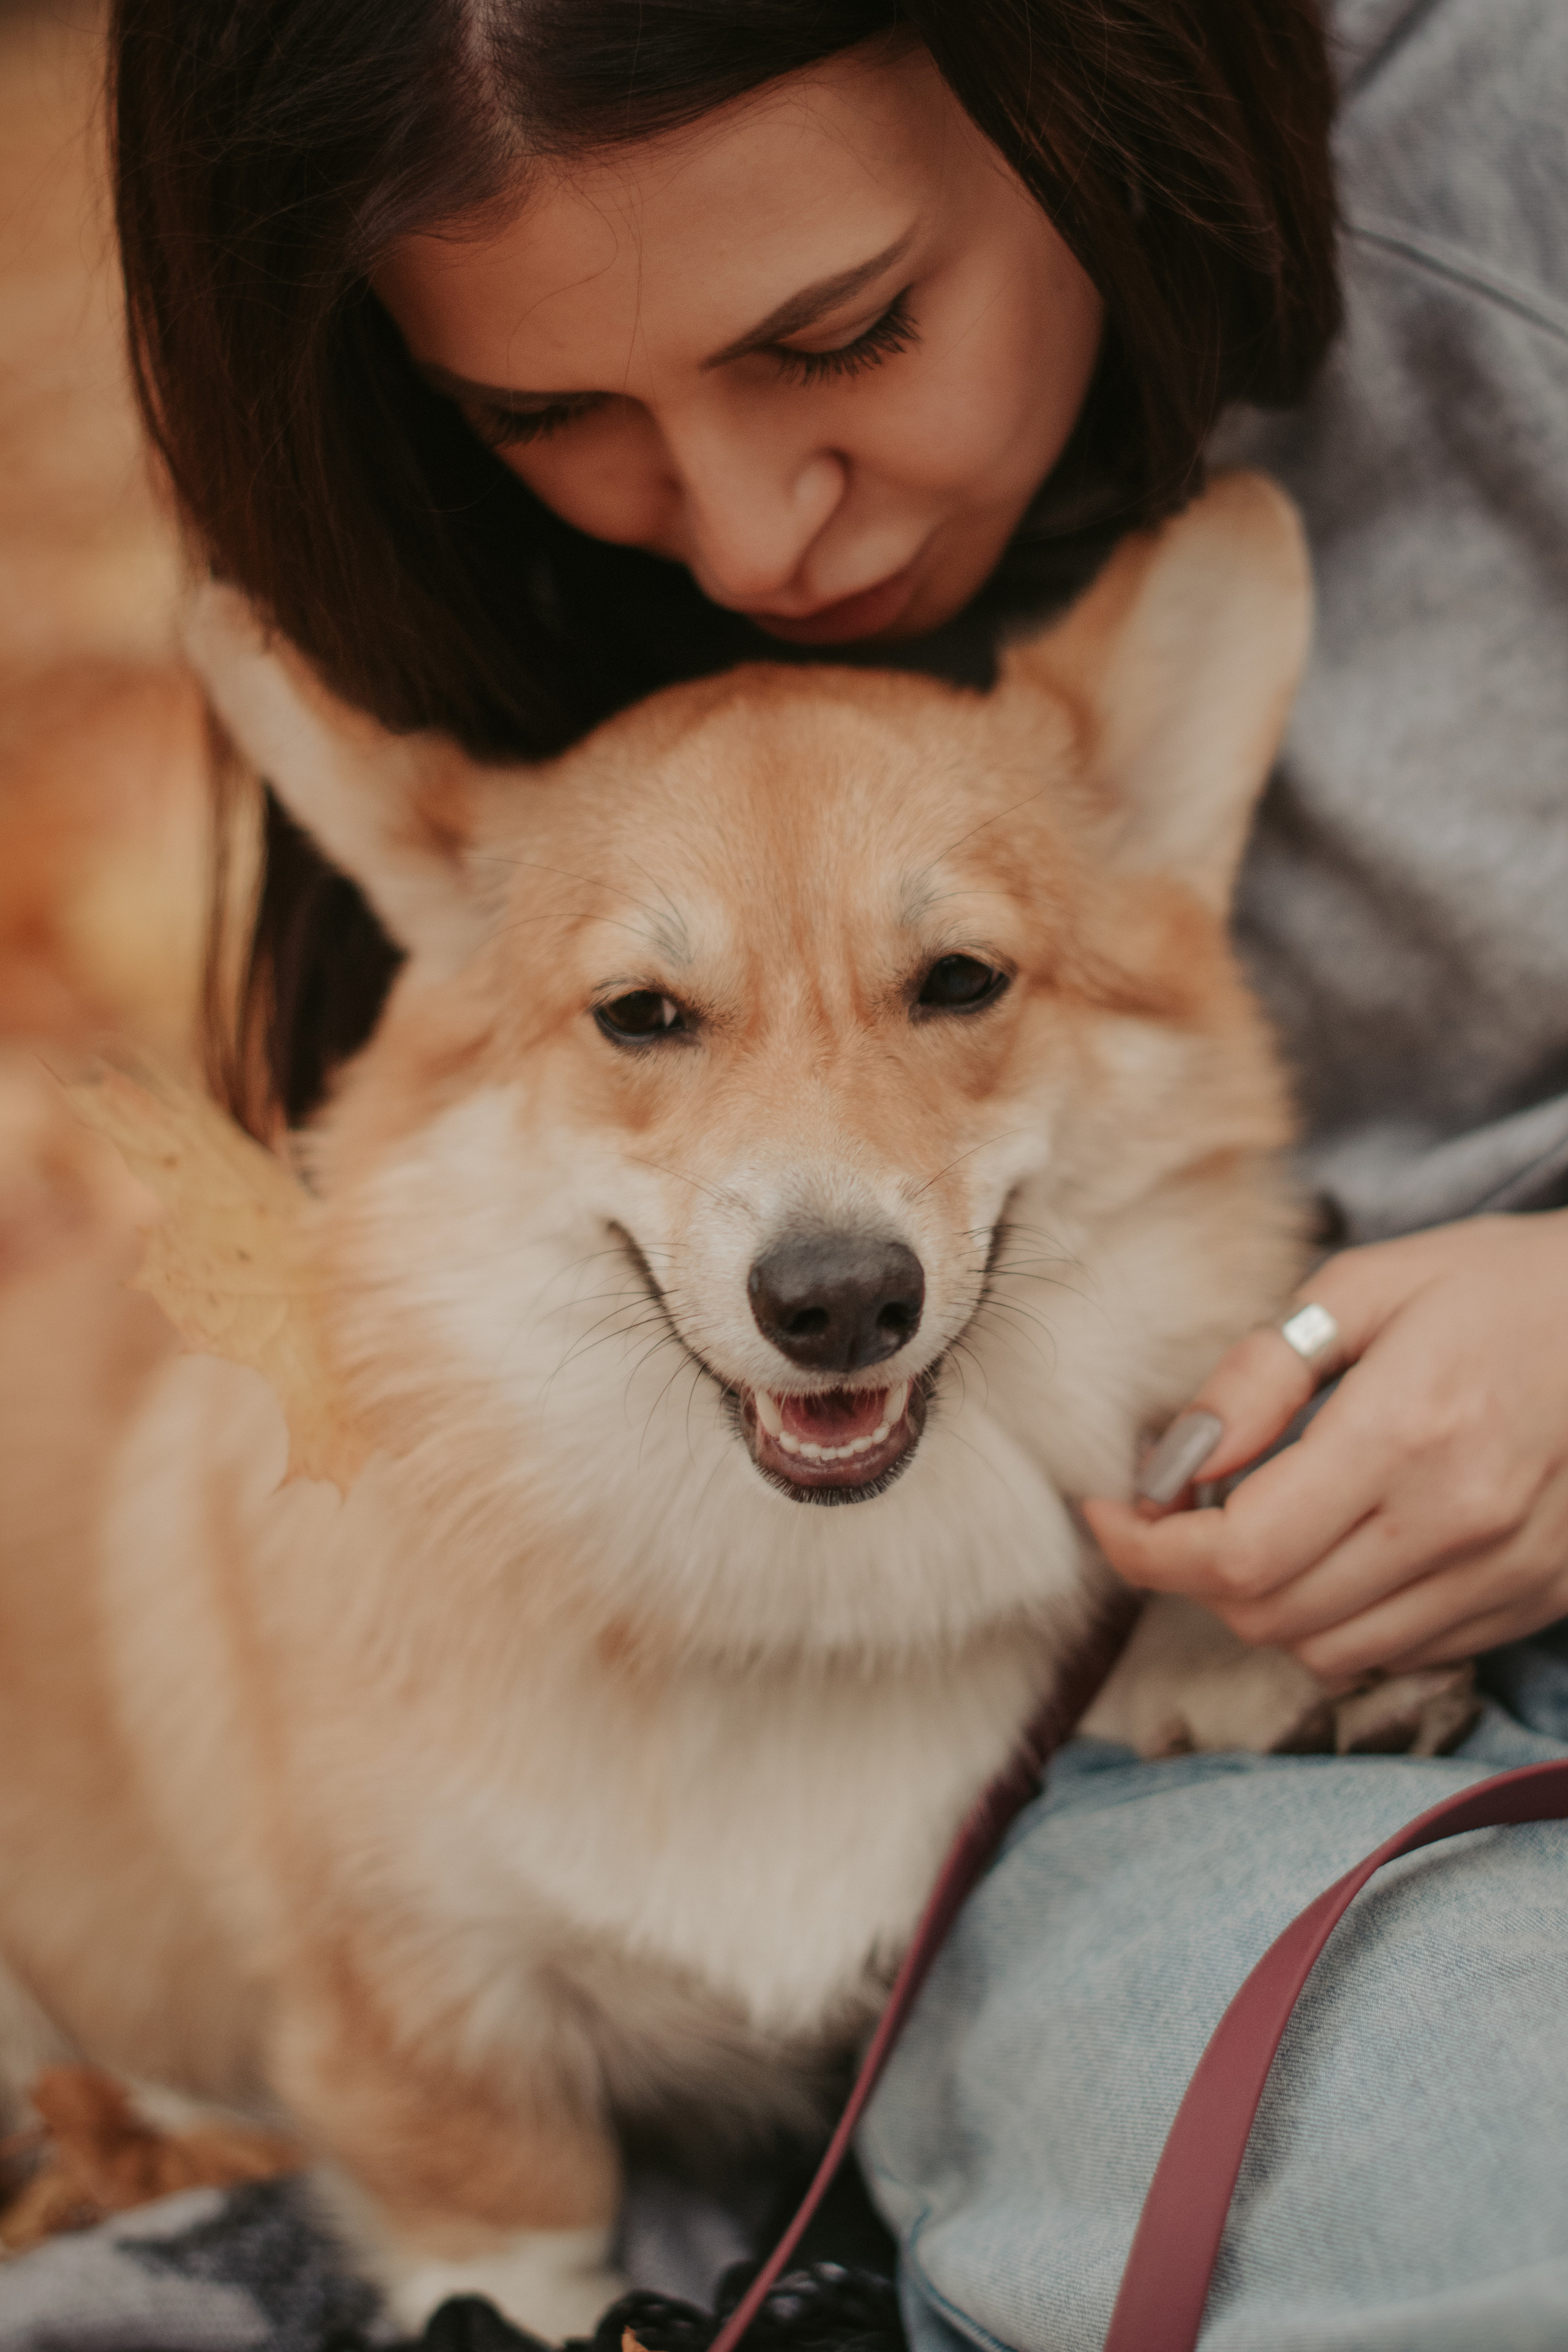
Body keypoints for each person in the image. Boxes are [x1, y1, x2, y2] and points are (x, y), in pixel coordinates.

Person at [110, 0, 1568, 2343]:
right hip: (1115, 1742)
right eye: (548, 412)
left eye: (843, 332)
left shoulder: (1517, 183)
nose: (750, 528)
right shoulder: (493, 701)